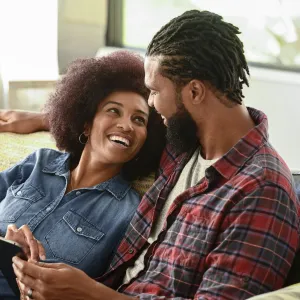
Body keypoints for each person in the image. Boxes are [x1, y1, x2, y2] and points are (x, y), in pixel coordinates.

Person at [1, 9, 300, 300]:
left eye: (154, 92)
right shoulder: (184, 146)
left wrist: (91, 294)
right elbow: (109, 130)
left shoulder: (262, 191)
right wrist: (45, 119)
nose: (152, 105)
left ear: (194, 93)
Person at [0, 50, 165, 299]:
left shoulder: (131, 212)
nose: (127, 125)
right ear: (86, 124)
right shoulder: (38, 163)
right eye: (113, 111)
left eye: (139, 120)